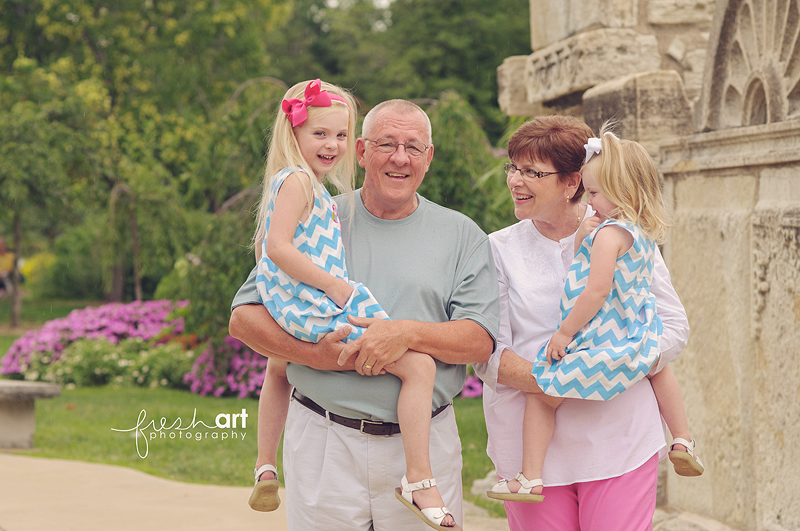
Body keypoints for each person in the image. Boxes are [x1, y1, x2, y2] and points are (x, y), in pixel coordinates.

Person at [229, 98, 499, 531]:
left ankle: (418, 480)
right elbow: (244, 319)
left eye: (413, 147)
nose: (399, 157)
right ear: (360, 151)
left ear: (429, 158)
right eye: (386, 143)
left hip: (424, 442)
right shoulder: (316, 215)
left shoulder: (462, 234)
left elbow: (479, 340)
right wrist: (312, 355)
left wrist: (405, 334)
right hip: (324, 440)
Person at [472, 115, 691, 531]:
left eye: (532, 172)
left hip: (619, 436)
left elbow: (673, 327)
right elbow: (488, 352)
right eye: (513, 168)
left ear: (573, 182)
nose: (515, 181)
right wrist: (558, 380)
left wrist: (607, 367)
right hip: (528, 450)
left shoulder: (625, 236)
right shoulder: (496, 249)